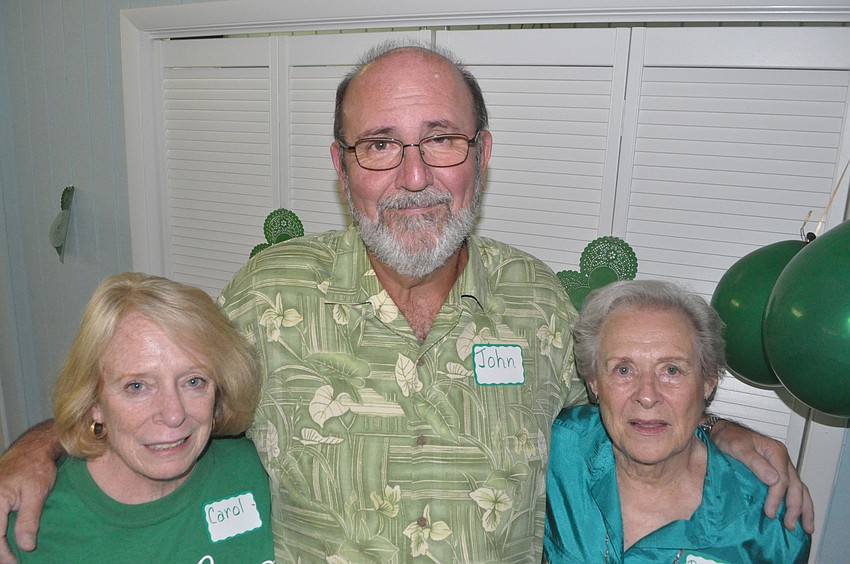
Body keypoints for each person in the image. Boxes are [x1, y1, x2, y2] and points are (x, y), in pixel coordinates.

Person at [0, 42, 812, 563]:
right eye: (381, 145)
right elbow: (151, 395)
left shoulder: (540, 303)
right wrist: (38, 449)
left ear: (481, 156)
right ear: (342, 164)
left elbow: (627, 402)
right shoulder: (268, 294)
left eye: (442, 139)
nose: (414, 176)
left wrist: (721, 426)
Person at [4, 273, 274, 562]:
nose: (173, 415)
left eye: (194, 382)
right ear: (93, 401)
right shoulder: (33, 523)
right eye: (137, 386)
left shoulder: (261, 470)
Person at [544, 280, 811, 563]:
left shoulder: (766, 521)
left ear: (708, 382)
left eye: (671, 370)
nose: (647, 396)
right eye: (623, 370)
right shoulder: (552, 451)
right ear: (594, 383)